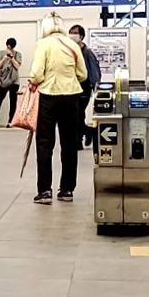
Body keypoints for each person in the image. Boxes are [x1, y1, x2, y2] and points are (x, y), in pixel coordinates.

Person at [28, 13, 87, 204]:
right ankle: (67, 190)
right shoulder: (73, 45)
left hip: (49, 97)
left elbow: (36, 75)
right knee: (69, 144)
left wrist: (36, 80)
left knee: (45, 144)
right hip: (71, 97)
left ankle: (45, 191)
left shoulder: (43, 44)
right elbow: (83, 74)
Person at [70, 24, 100, 147]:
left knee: (77, 113)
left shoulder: (87, 52)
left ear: (81, 36)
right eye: (71, 32)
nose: (72, 35)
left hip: (84, 87)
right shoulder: (71, 50)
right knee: (77, 114)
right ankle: (85, 134)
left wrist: (95, 87)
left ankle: (80, 138)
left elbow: (94, 71)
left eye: (75, 33)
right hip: (73, 87)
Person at [0, 38, 22, 127]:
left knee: (13, 101)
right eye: (8, 46)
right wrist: (4, 58)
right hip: (4, 81)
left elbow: (17, 66)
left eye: (11, 47)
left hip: (14, 81)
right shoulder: (1, 53)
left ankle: (11, 121)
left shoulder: (18, 54)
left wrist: (12, 57)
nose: (9, 48)